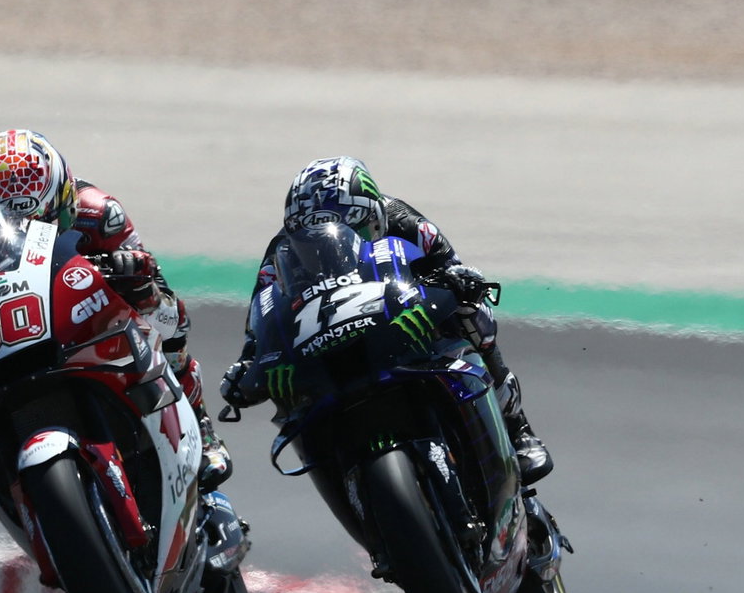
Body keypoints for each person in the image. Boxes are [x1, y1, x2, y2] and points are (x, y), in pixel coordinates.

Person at [0, 128, 232, 488]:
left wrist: (133, 273)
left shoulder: (101, 214)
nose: (22, 229)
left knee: (164, 316)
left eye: (35, 220)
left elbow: (161, 293)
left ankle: (201, 425)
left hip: (76, 319)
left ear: (63, 198)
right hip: (1, 337)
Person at [219, 155, 553, 483]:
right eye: (310, 232)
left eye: (352, 225)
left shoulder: (407, 221)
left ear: (374, 214)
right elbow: (260, 317)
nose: (326, 244)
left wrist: (458, 286)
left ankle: (518, 428)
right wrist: (249, 362)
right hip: (327, 337)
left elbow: (453, 268)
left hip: (403, 314)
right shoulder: (280, 251)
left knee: (473, 314)